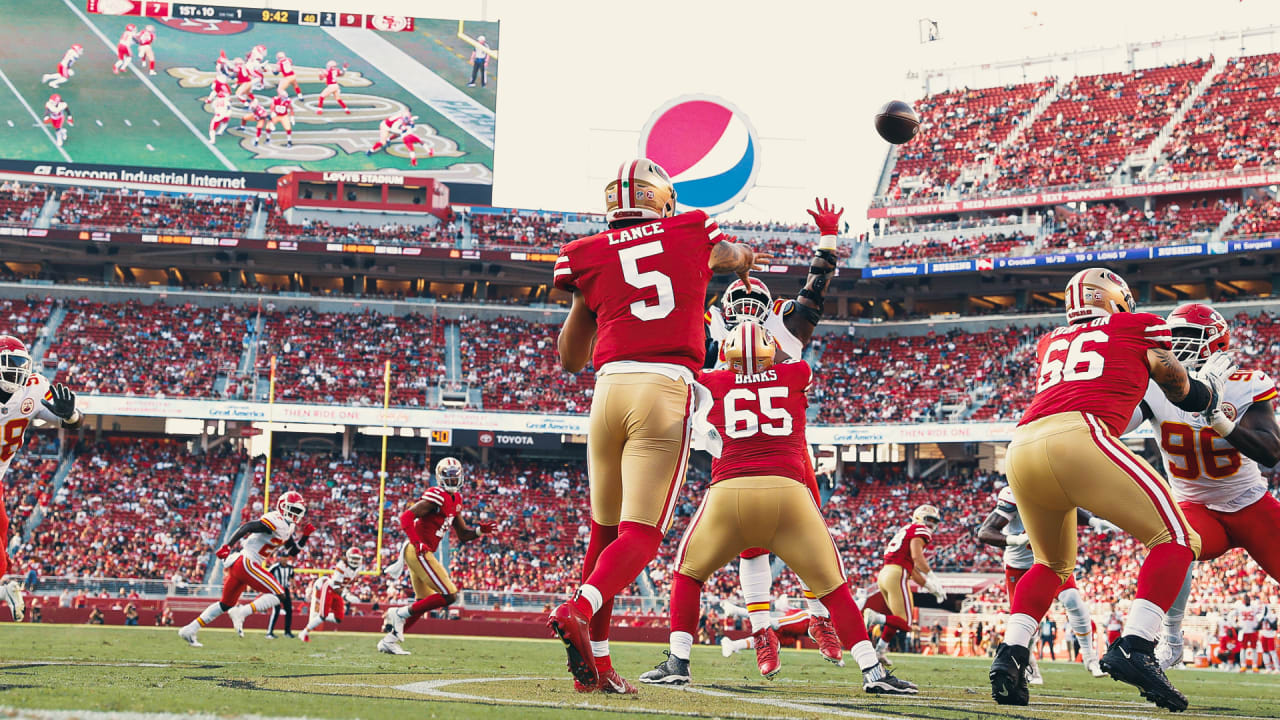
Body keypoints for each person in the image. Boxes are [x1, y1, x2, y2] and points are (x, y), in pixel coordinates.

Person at [548, 158, 763, 693]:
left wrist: (587, 297)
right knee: (640, 536)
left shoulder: (584, 252)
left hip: (607, 389)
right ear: (662, 199)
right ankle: (578, 608)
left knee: (603, 536)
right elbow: (735, 255)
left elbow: (571, 358)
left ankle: (597, 666)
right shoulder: (692, 227)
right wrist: (741, 263)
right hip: (664, 384)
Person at [989, 268, 1225, 712]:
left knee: (1051, 564)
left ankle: (1012, 652)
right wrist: (1208, 396)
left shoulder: (1050, 340)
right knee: (1178, 539)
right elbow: (1178, 388)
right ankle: (1136, 644)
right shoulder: (1140, 325)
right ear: (1117, 298)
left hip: (1020, 448)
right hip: (1080, 436)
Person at [638, 322, 915, 694]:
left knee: (688, 575)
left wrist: (722, 334)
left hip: (730, 492)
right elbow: (792, 350)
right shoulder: (796, 373)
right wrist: (768, 326)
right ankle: (872, 670)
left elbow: (701, 371)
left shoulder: (714, 382)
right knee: (834, 588)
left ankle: (679, 661)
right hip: (789, 493)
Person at [704, 199, 846, 669]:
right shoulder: (713, 340)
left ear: (772, 311)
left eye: (754, 306)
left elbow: (814, 291)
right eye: (738, 306)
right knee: (751, 541)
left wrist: (827, 242)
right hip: (738, 447)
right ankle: (764, 631)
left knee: (810, 538)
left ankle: (818, 617)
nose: (745, 313)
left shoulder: (784, 334)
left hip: (785, 448)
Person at [1123, 304, 1280, 671]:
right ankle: (1171, 638)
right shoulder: (1156, 388)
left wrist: (1219, 421)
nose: (1180, 346)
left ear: (1217, 343)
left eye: (1190, 338)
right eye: (1175, 338)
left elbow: (1272, 453)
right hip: (1194, 506)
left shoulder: (1246, 384)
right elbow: (1117, 424)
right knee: (1173, 543)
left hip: (1248, 503)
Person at [977, 486, 1115, 678]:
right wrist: (1016, 540)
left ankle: (1090, 658)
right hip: (1019, 566)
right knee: (1025, 623)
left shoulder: (1051, 487)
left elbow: (1069, 509)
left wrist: (1092, 521)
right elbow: (985, 532)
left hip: (1047, 561)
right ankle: (1029, 665)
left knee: (1073, 599)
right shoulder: (1014, 494)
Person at [0, 335, 81, 623]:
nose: (17, 372)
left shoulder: (33, 388)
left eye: (21, 365)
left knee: (2, 548)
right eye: (10, 365)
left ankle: (4, 590)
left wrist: (70, 415)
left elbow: (71, 419)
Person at [377, 457, 495, 655]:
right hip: (418, 550)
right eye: (448, 477)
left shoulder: (456, 499)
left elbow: (463, 535)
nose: (451, 480)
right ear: (440, 478)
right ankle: (397, 613)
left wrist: (479, 532)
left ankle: (389, 641)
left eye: (454, 477)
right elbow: (406, 517)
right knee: (449, 595)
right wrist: (417, 542)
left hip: (421, 551)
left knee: (424, 601)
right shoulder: (436, 496)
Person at [178, 491, 311, 646]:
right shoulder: (276, 519)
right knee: (279, 594)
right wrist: (227, 545)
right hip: (248, 562)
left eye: (297, 511)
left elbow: (292, 551)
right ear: (282, 507)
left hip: (242, 566)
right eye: (292, 509)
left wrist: (305, 537)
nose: (295, 514)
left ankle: (190, 629)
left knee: (225, 604)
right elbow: (248, 526)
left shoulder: (288, 527)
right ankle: (242, 612)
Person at [861, 505, 946, 666]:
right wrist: (932, 576)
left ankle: (879, 651)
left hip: (886, 574)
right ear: (919, 517)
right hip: (897, 574)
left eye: (934, 521)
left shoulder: (906, 530)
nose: (931, 524)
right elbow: (917, 557)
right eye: (928, 519)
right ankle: (875, 617)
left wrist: (930, 587)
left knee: (896, 619)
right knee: (906, 624)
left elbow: (912, 568)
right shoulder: (919, 530)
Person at [300, 548, 362, 641]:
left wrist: (347, 592)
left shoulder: (358, 568)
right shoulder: (342, 565)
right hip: (330, 589)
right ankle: (304, 632)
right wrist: (346, 596)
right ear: (348, 557)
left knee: (339, 618)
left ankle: (320, 615)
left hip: (339, 591)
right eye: (353, 558)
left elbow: (347, 583)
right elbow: (335, 585)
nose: (355, 561)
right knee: (323, 615)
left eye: (357, 558)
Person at [265, 554, 295, 638]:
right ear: (280, 558)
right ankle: (269, 632)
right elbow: (267, 576)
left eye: (286, 558)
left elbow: (291, 577)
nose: (284, 560)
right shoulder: (274, 567)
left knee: (289, 610)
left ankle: (287, 632)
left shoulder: (290, 568)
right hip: (276, 590)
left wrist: (293, 585)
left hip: (285, 590)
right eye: (283, 558)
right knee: (276, 610)